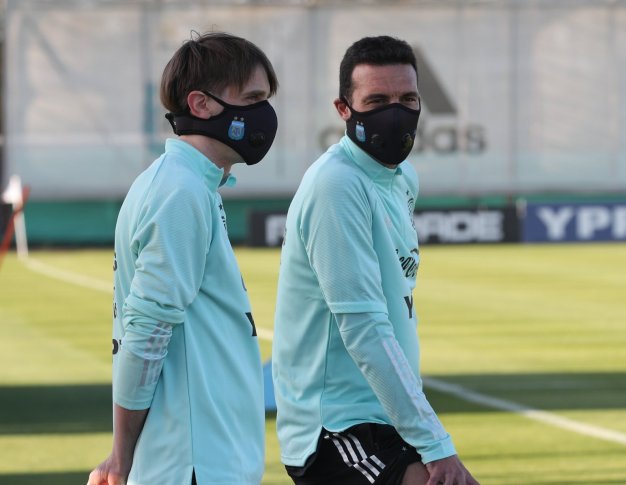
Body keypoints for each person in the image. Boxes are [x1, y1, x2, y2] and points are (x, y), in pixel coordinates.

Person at [272, 35, 479, 485]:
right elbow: (364, 328)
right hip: (336, 426)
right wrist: (437, 445)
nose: (395, 112)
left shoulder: (402, 177)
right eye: (377, 101)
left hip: (385, 417)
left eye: (408, 99)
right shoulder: (337, 185)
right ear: (343, 109)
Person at [88, 32, 279, 485]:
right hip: (194, 463)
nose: (266, 114)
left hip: (204, 457)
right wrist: (119, 457)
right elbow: (147, 331)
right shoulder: (181, 191)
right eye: (253, 99)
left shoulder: (188, 184)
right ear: (201, 104)